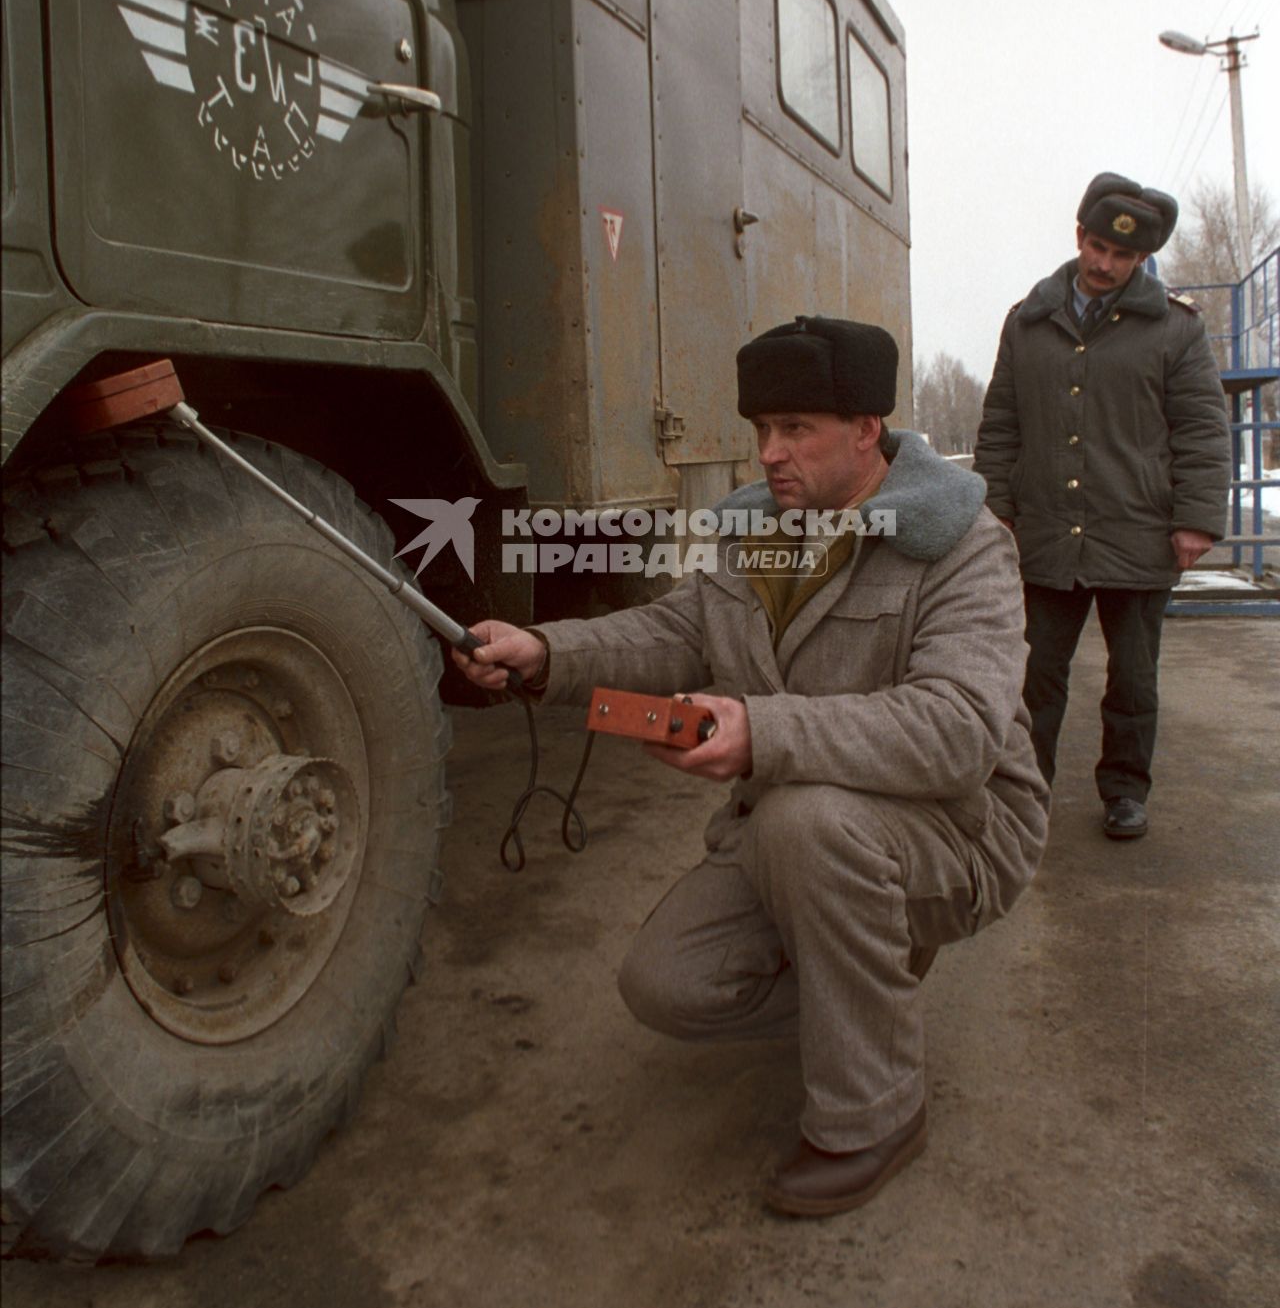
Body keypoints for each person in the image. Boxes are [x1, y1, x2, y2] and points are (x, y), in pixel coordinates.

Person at [455, 315, 1049, 1217]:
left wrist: (761, 730)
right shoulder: (759, 533)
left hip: (959, 826)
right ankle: (862, 961)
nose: (771, 454)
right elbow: (675, 630)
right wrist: (546, 650)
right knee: (665, 984)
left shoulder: (961, 543)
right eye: (761, 430)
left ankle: (877, 1111)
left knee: (807, 822)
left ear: (865, 429)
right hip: (804, 828)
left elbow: (959, 729)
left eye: (797, 429)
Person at [974, 172, 1231, 840]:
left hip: (1140, 533)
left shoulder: (1175, 329)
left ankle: (1125, 790)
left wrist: (1196, 517)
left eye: (1121, 255)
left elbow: (1202, 426)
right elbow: (1001, 419)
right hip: (1047, 536)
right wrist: (996, 504)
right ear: (1080, 235)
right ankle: (1024, 794)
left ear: (1141, 259)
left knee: (1134, 680)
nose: (1103, 262)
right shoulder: (1029, 320)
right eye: (1095, 244)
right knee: (1033, 678)